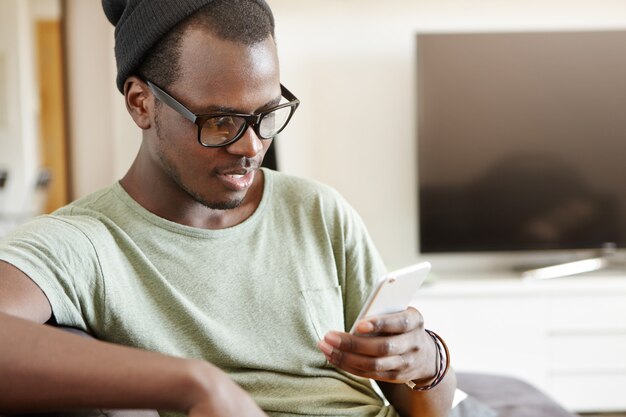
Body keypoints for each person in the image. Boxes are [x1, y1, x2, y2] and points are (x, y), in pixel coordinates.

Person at [0, 1, 456, 416]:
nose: (253, 147)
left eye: (267, 115)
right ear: (141, 103)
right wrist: (195, 384)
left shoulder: (317, 210)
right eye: (221, 122)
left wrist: (428, 360)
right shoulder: (86, 242)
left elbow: (425, 408)